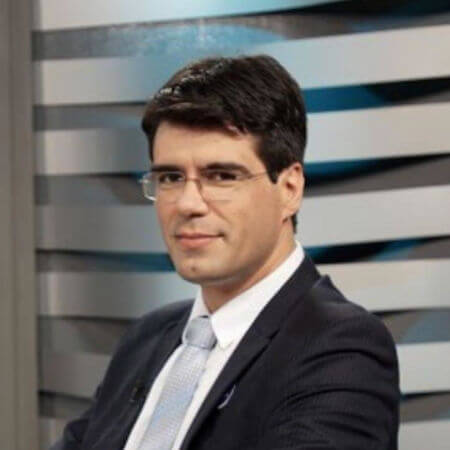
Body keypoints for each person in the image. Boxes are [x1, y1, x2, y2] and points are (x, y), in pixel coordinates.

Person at [52, 55, 399, 450]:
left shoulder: (341, 347)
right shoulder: (145, 339)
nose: (187, 203)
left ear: (289, 189)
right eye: (170, 177)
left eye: (221, 176)